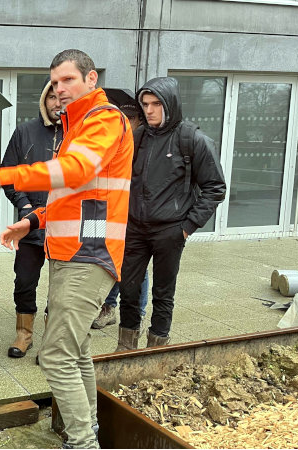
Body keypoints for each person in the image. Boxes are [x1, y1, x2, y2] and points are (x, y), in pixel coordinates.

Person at [0, 49, 133, 448]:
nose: (60, 89)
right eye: (55, 82)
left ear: (91, 79)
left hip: (89, 256)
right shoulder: (76, 128)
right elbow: (77, 197)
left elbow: (75, 171)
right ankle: (89, 436)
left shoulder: (103, 119)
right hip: (73, 253)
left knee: (55, 356)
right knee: (77, 350)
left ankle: (82, 443)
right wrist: (33, 221)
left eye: (68, 79)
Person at [115, 77, 226, 350]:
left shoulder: (192, 139)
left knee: (163, 292)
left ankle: (157, 347)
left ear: (170, 104)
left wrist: (188, 226)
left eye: (155, 104)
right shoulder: (137, 137)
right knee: (128, 290)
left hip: (171, 229)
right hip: (135, 228)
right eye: (145, 104)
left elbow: (215, 187)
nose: (149, 110)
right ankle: (126, 346)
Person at [0, 80, 62, 358]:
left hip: (65, 225)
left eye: (62, 97)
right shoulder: (25, 132)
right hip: (30, 223)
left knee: (60, 285)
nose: (57, 103)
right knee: (24, 280)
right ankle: (24, 334)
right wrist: (23, 205)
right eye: (51, 97)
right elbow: (7, 173)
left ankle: (52, 339)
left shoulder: (80, 135)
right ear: (43, 100)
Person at [92, 90, 149, 330]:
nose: (125, 121)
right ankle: (108, 306)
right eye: (121, 116)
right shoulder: (112, 141)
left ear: (139, 120)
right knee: (110, 260)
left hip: (137, 216)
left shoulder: (145, 145)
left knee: (137, 265)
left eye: (131, 117)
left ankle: (139, 310)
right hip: (111, 213)